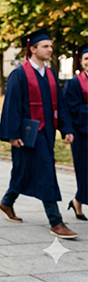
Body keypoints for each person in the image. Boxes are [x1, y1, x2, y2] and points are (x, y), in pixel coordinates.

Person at [0, 28, 76, 239]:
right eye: (45, 46)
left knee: (23, 172)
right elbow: (11, 107)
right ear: (32, 49)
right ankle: (56, 221)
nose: (50, 49)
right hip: (28, 133)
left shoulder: (49, 74)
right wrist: (12, 134)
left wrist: (66, 128)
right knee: (45, 171)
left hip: (47, 132)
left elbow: (60, 103)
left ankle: (6, 203)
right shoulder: (19, 74)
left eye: (50, 46)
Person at [65, 43, 88, 220]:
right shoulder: (74, 83)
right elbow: (71, 109)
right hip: (82, 133)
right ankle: (78, 201)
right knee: (84, 170)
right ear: (80, 62)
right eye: (87, 59)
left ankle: (77, 201)